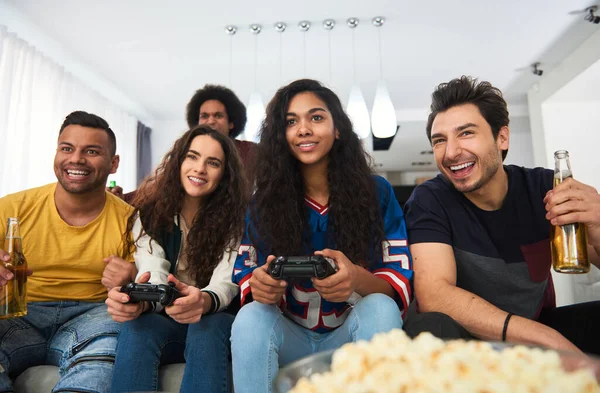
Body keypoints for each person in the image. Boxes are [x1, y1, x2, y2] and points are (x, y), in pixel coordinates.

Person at [230, 79, 413, 393]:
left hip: (349, 335)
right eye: (291, 121)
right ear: (280, 136)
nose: (303, 129)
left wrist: (355, 278)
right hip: (290, 335)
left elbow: (397, 276)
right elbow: (247, 273)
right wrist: (261, 285)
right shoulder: (263, 202)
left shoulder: (376, 192)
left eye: (316, 117)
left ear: (338, 128)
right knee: (250, 316)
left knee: (381, 307)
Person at [404, 76, 600, 354]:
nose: (450, 152)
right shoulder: (429, 200)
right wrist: (547, 339)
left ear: (502, 138)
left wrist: (597, 225)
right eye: (439, 140)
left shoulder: (544, 188)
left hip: (534, 329)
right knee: (428, 327)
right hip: (468, 344)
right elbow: (434, 295)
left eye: (466, 133)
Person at [0, 111, 134, 392]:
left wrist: (131, 279)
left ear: (114, 163)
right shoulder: (12, 208)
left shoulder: (131, 221)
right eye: (67, 148)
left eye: (92, 151)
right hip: (17, 316)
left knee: (105, 355)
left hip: (93, 319)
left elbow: (146, 288)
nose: (76, 159)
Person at [107, 125, 248, 393]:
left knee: (206, 327)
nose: (199, 168)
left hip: (217, 320)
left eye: (213, 162)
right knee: (138, 328)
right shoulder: (148, 214)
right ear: (178, 162)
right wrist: (144, 301)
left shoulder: (238, 220)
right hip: (169, 319)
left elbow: (227, 282)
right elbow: (152, 270)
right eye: (192, 157)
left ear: (225, 174)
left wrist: (202, 301)